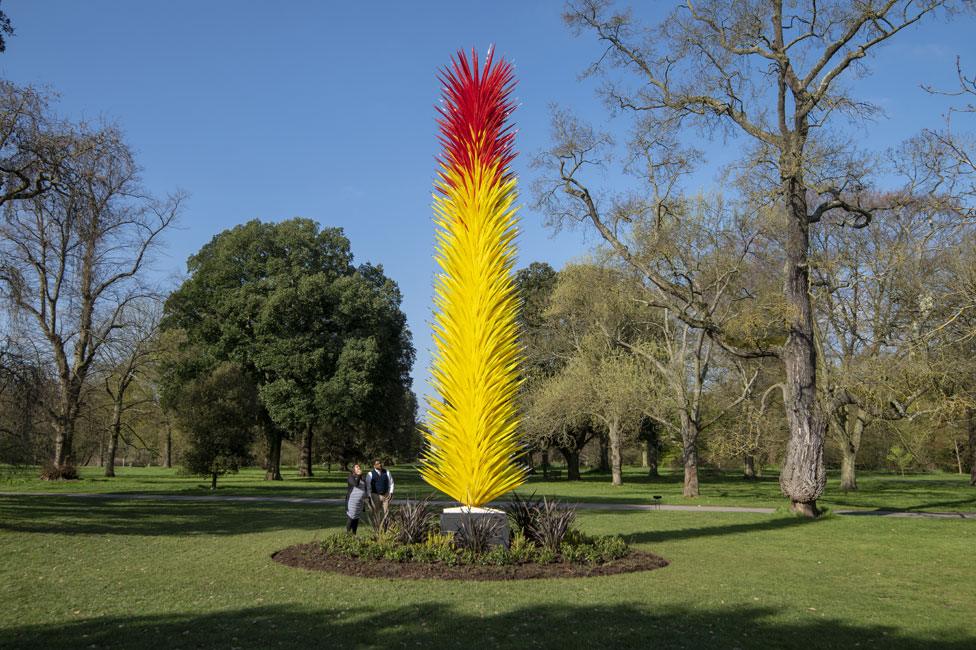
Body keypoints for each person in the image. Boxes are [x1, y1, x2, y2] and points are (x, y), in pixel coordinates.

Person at [366, 459, 394, 524]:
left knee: (386, 512)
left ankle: (386, 527)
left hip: (386, 495)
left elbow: (391, 483)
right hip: (375, 495)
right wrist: (369, 497)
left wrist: (391, 492)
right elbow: (368, 487)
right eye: (378, 464)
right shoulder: (370, 474)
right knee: (376, 513)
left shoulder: (387, 472)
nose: (380, 465)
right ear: (374, 466)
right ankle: (377, 528)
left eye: (380, 463)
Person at [345, 463, 367, 534]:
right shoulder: (351, 477)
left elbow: (365, 488)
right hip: (352, 501)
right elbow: (356, 484)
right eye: (357, 467)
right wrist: (359, 475)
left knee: (356, 518)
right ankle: (347, 534)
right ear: (353, 470)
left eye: (359, 467)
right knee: (351, 517)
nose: (359, 468)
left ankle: (354, 534)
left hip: (360, 502)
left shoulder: (362, 477)